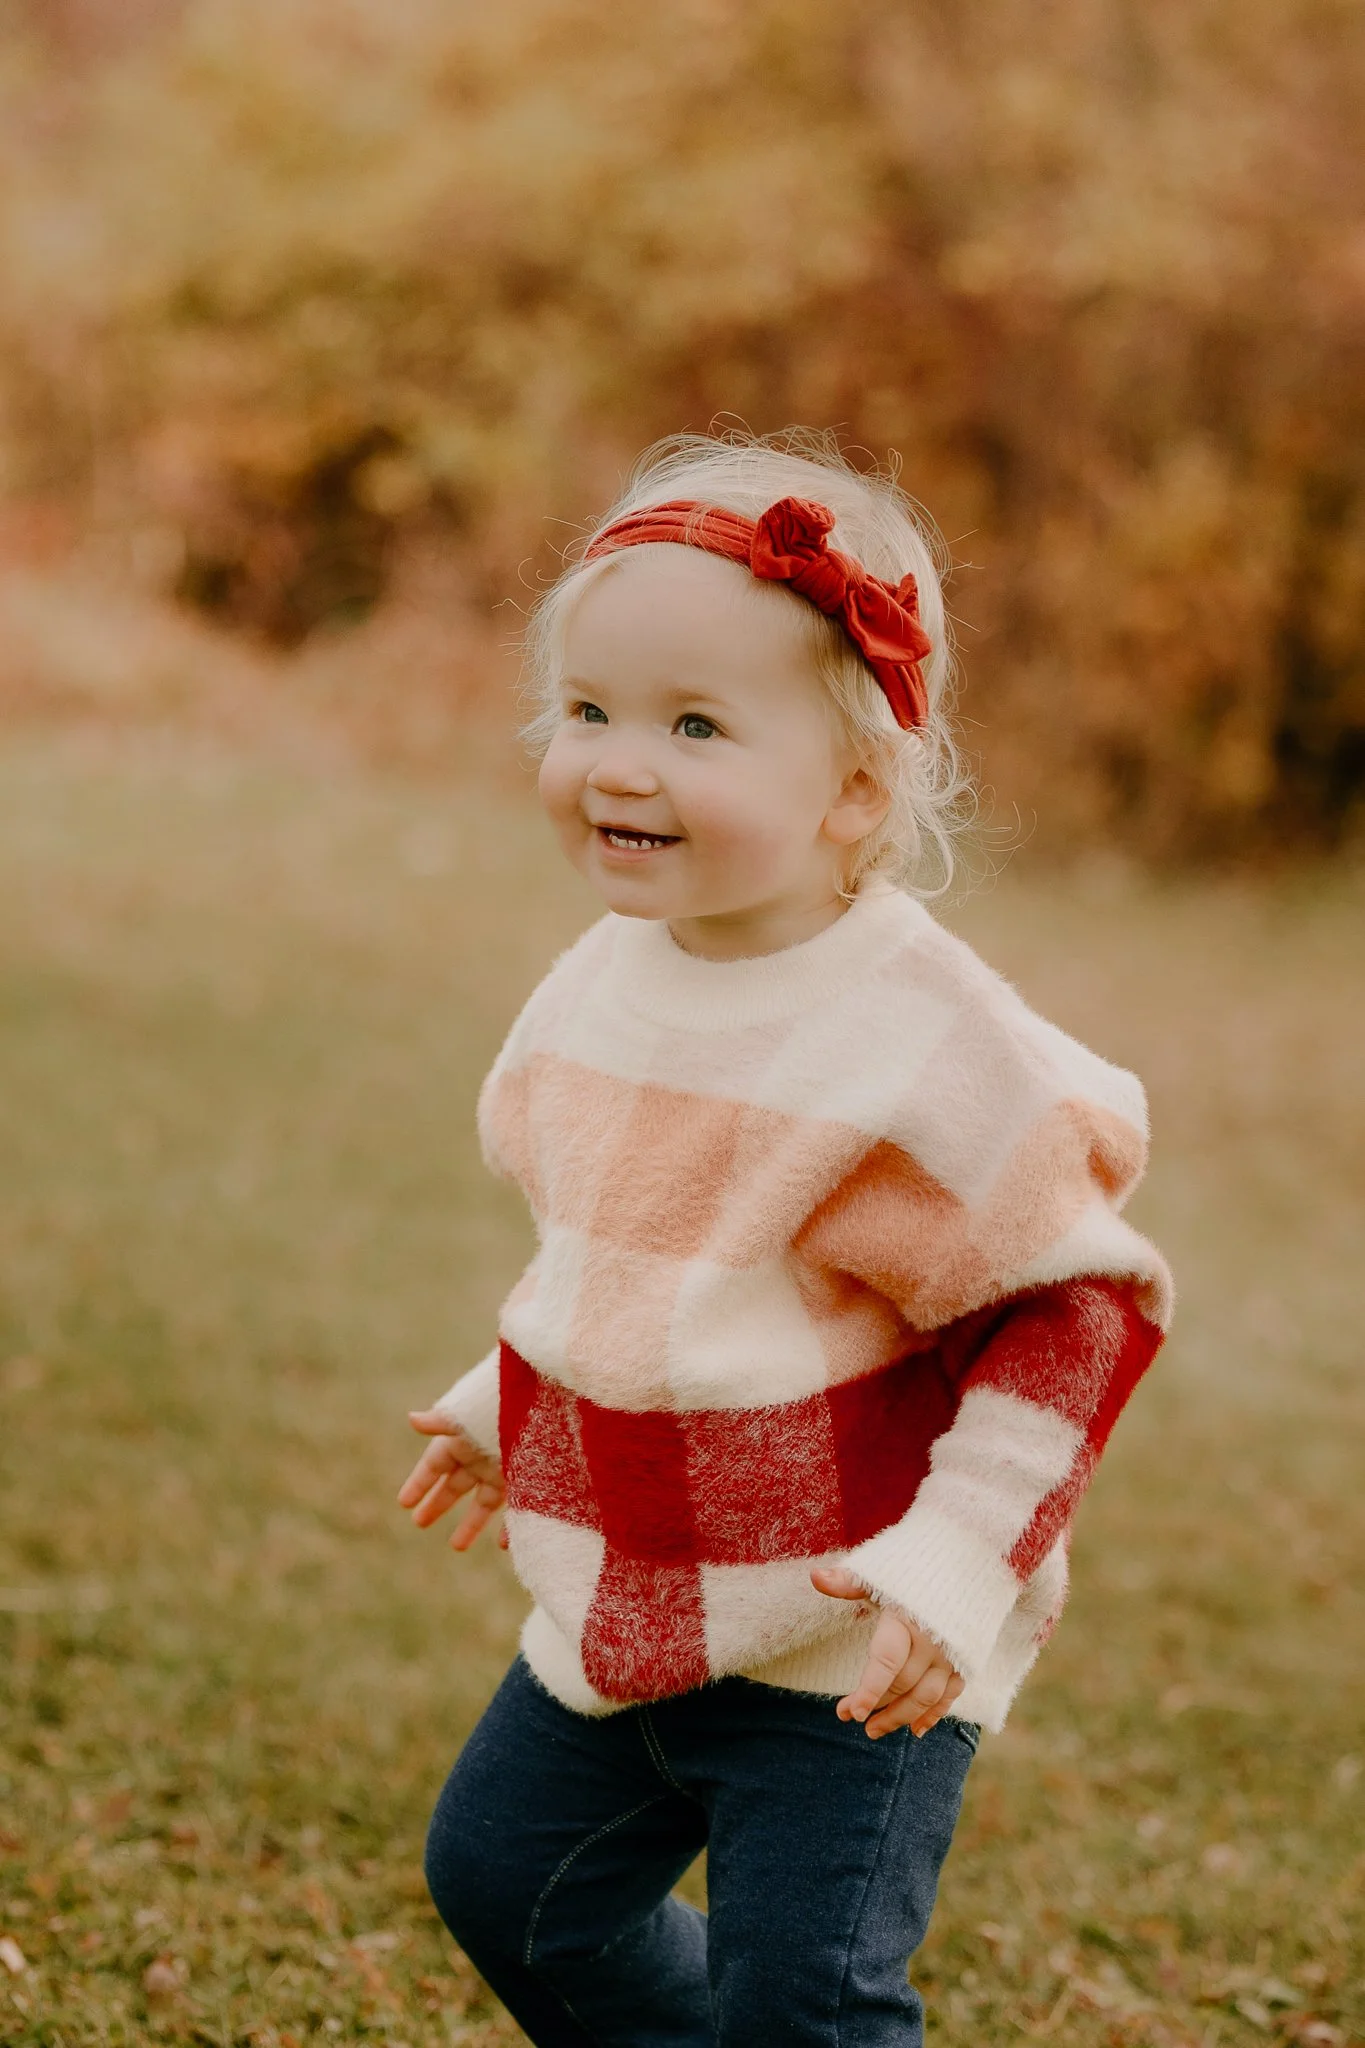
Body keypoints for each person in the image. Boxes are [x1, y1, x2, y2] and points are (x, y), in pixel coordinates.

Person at [397, 429, 1172, 2046]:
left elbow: (1078, 1312)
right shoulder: (616, 974)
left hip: (849, 1626)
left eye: (693, 725)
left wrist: (956, 1562)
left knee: (804, 2006)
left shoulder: (914, 1042)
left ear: (856, 793)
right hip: (645, 1584)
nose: (619, 761)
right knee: (508, 1881)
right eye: (591, 712)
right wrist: (508, 1396)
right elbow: (635, 1249)